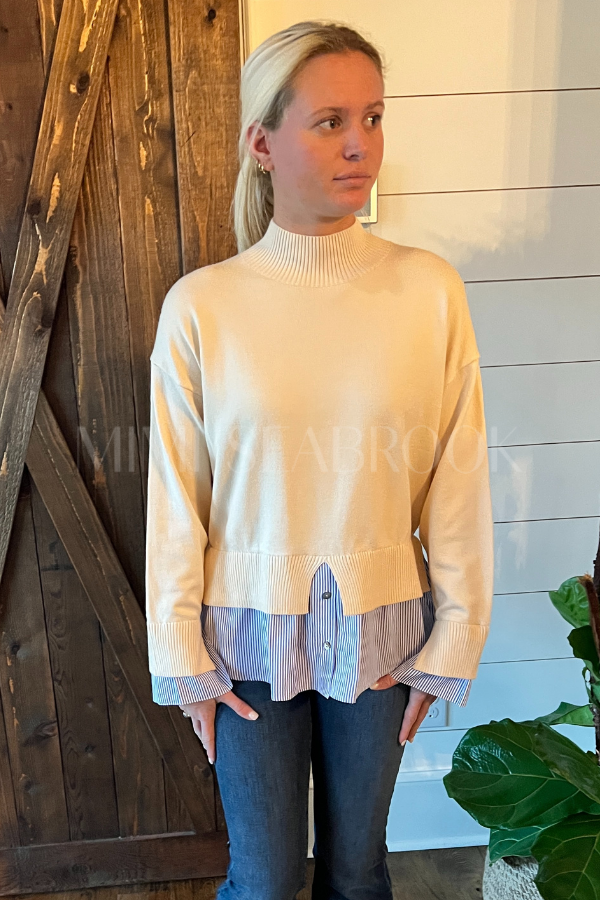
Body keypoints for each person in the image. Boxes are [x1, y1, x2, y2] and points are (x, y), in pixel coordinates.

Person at [145, 19, 494, 900]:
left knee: (356, 872)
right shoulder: (203, 308)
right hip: (242, 640)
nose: (360, 144)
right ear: (262, 143)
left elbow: (458, 477)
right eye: (330, 121)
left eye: (373, 118)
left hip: (381, 631)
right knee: (263, 880)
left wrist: (454, 637)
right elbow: (176, 501)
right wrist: (183, 659)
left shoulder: (428, 291)